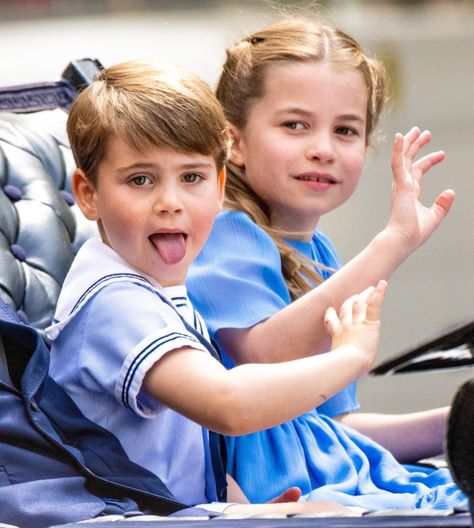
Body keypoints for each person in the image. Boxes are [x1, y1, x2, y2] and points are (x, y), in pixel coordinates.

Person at [45, 59, 388, 517]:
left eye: (192, 178)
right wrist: (350, 358)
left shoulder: (160, 288)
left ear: (219, 182)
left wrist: (245, 508)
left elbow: (188, 450)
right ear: (88, 194)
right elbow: (229, 404)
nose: (171, 203)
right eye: (140, 180)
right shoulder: (115, 302)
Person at [186, 16, 465, 510]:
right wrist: (394, 242)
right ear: (235, 143)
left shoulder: (320, 254)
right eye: (295, 125)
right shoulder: (225, 232)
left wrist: (456, 423)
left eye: (345, 130)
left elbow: (330, 429)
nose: (322, 150)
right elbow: (266, 359)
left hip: (334, 477)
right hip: (279, 497)